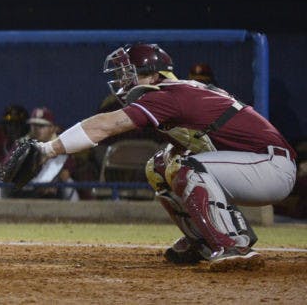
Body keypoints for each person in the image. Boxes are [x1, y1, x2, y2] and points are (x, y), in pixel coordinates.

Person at [30, 43, 296, 270]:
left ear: (153, 75)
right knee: (160, 165)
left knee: (185, 166)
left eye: (129, 74)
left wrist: (47, 149)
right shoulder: (176, 93)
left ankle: (233, 246)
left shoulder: (170, 94)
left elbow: (106, 125)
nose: (123, 82)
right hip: (253, 166)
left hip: (271, 166)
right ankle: (202, 241)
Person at [14, 107, 79, 200]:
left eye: (41, 126)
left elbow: (67, 170)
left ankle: (75, 212)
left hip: (53, 191)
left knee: (68, 181)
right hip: (26, 188)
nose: (36, 129)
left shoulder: (61, 145)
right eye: (34, 125)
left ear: (52, 128)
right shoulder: (22, 143)